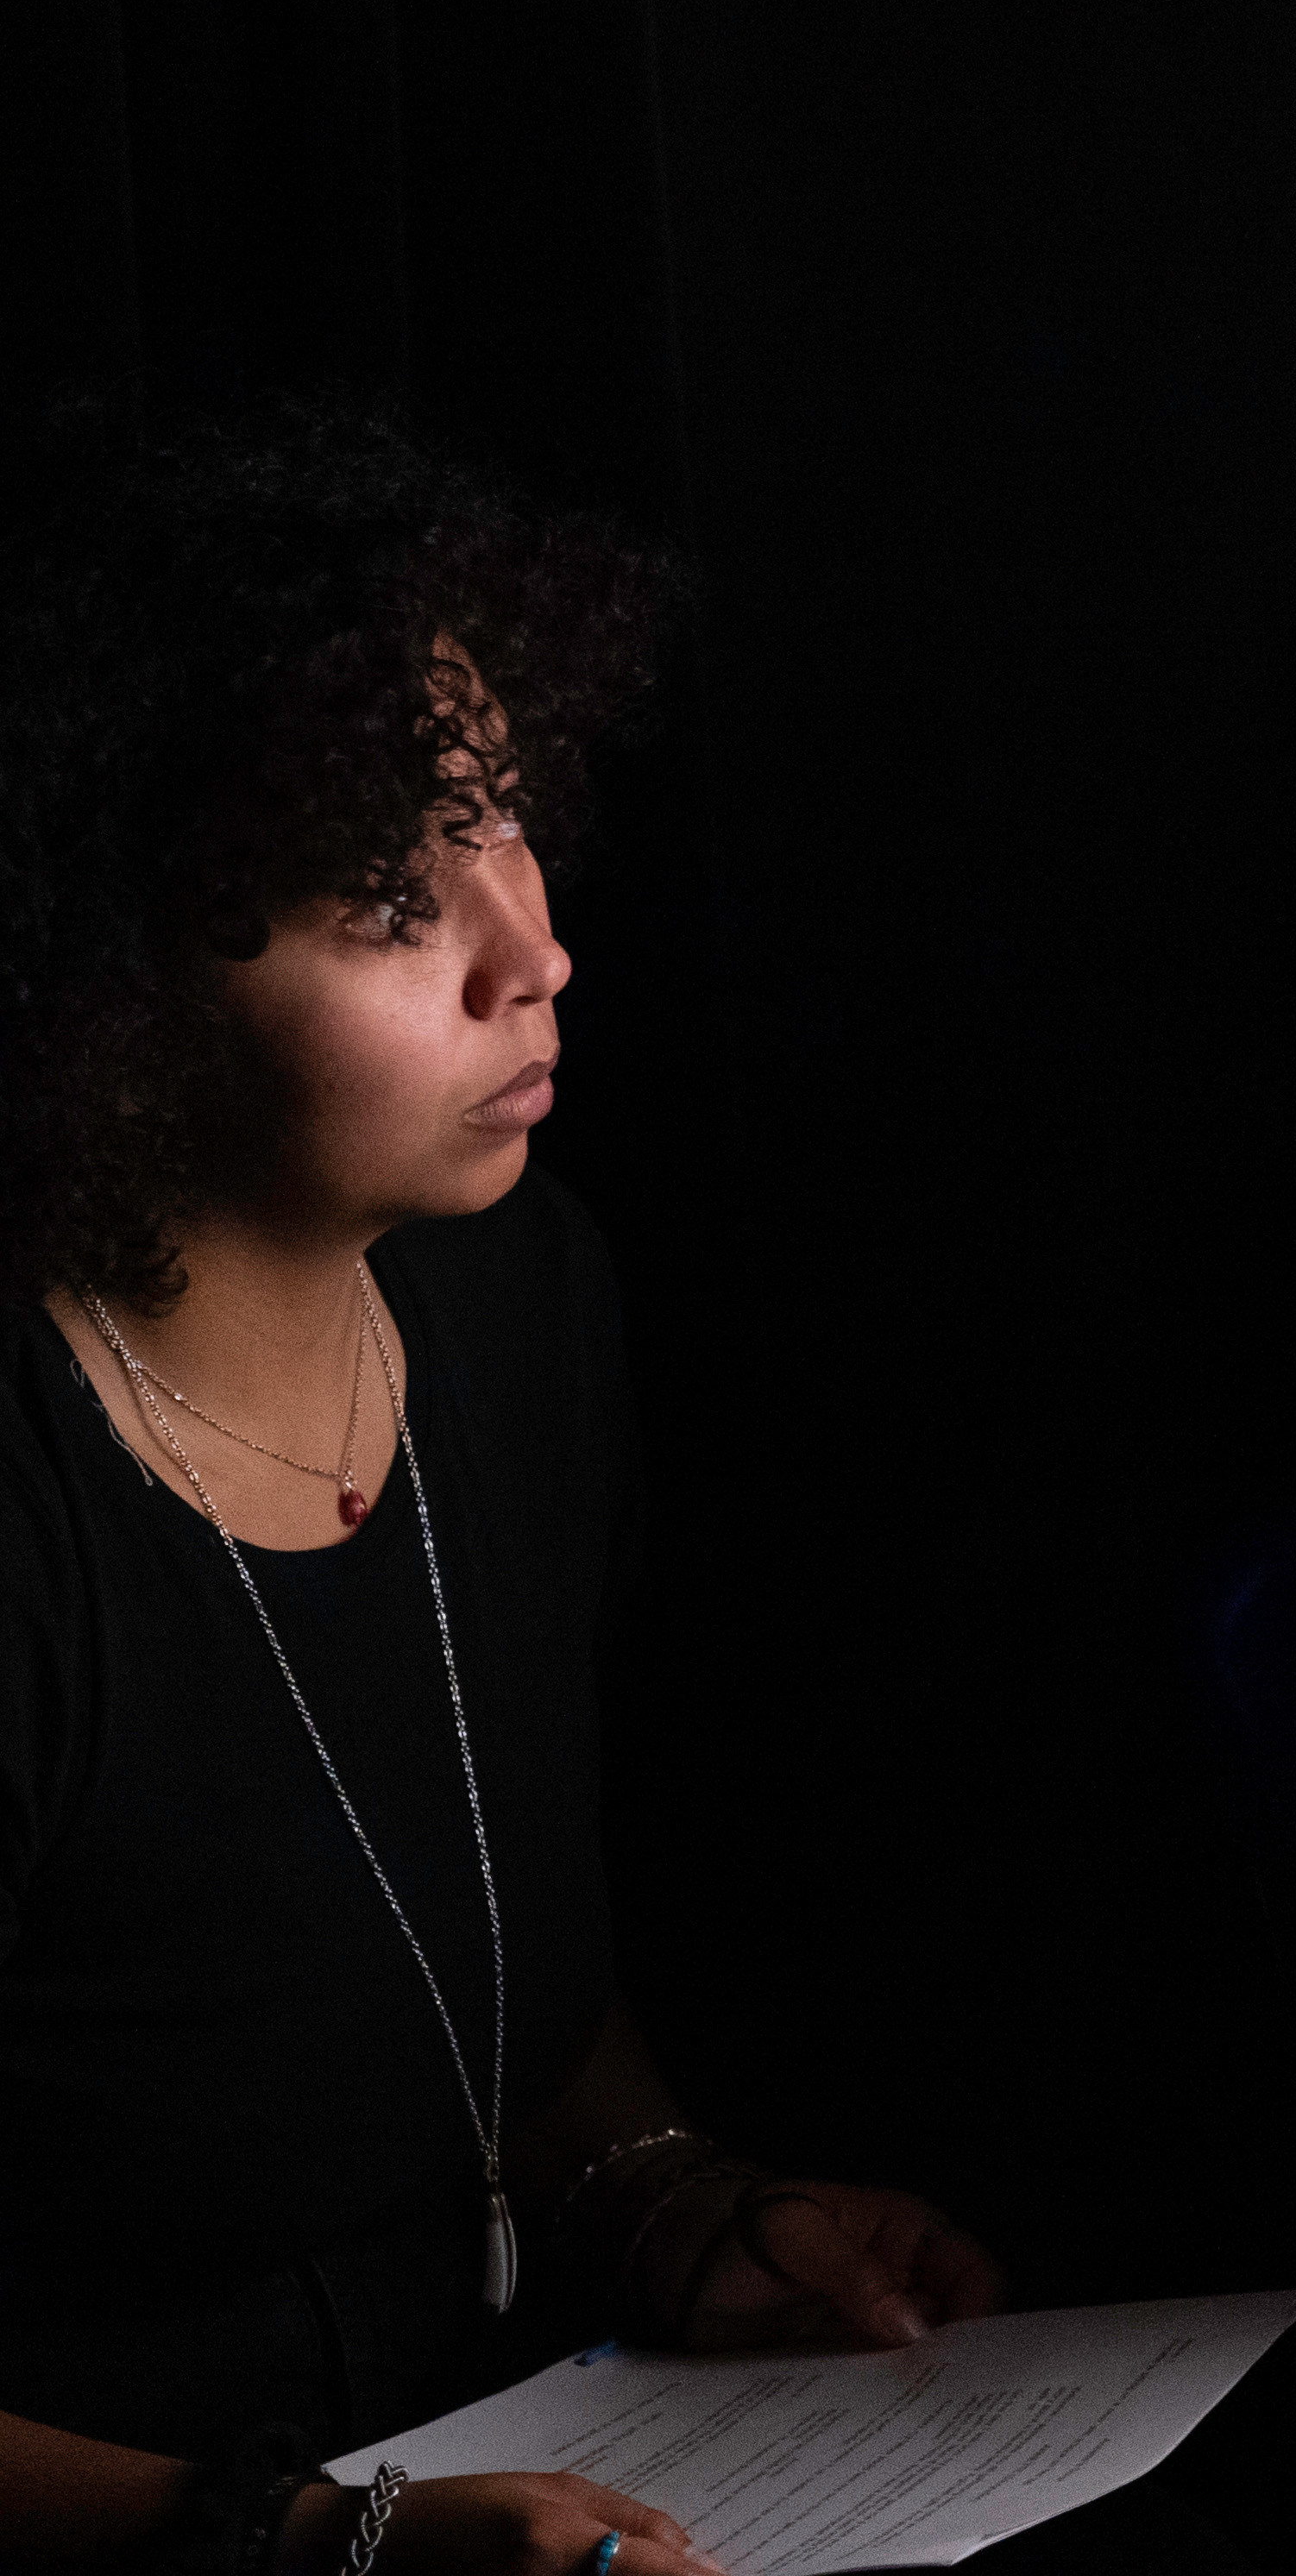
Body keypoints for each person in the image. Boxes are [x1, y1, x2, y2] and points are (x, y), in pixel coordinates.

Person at [0, 406, 1004, 2576]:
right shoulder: (31, 1509)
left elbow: (462, 1976)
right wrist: (309, 2543)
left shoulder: (513, 1296)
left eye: (504, 825)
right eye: (388, 897)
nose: (526, 946)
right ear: (109, 984)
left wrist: (670, 2195)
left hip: (541, 2446)